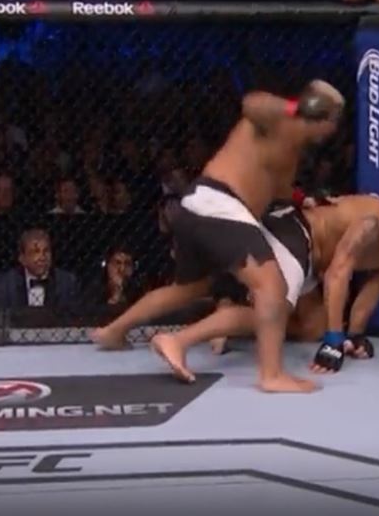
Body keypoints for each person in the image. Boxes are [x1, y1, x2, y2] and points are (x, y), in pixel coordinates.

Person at [91, 80, 345, 394]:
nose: (334, 130)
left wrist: (303, 200)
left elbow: (278, 189)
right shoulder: (277, 118)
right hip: (221, 205)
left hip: (201, 206)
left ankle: (113, 332)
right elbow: (252, 103)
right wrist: (295, 107)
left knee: (189, 289)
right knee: (271, 285)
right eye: (333, 119)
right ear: (321, 116)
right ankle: (271, 375)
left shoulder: (293, 147)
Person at [147, 194, 379, 383]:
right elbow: (337, 274)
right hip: (295, 235)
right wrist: (335, 339)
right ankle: (178, 341)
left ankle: (235, 313)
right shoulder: (372, 223)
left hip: (309, 264)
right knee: (274, 314)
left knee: (312, 327)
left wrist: (356, 334)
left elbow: (374, 287)